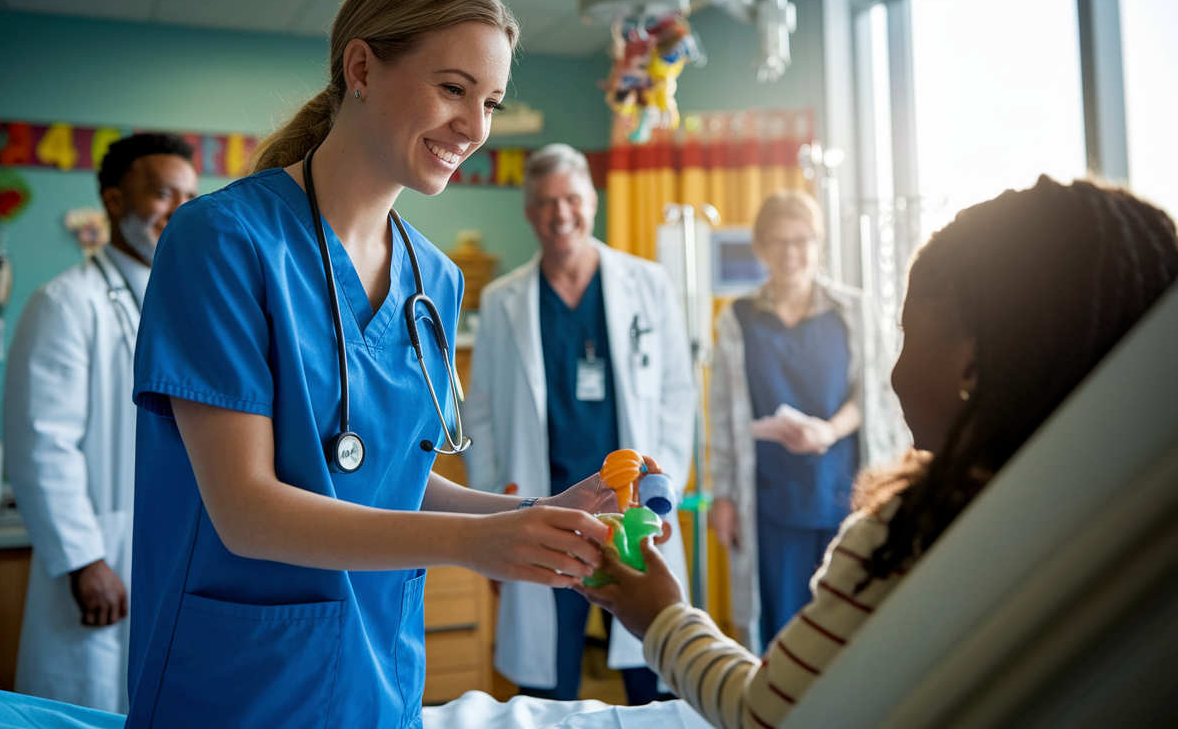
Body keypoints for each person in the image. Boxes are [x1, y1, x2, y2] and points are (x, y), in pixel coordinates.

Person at [126, 0, 616, 728]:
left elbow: (387, 475)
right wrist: (479, 543)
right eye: (453, 88)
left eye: (490, 102)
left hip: (379, 674)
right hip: (239, 681)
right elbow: (246, 511)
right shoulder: (221, 242)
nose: (475, 127)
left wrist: (535, 514)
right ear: (361, 66)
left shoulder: (436, 282)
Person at [577, 176, 1178, 729]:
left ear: (972, 364)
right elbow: (729, 415)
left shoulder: (908, 532)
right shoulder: (1095, 517)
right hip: (774, 491)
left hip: (831, 479)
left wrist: (660, 613)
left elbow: (768, 713)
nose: (892, 372)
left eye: (909, 335)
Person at [462, 143, 695, 703]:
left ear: (593, 200)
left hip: (632, 512)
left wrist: (664, 494)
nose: (559, 214)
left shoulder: (649, 285)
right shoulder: (503, 300)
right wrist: (497, 503)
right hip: (547, 511)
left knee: (654, 669)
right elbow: (483, 412)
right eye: (545, 203)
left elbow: (676, 395)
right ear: (528, 211)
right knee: (547, 684)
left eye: (571, 198)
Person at [3, 133, 198, 713]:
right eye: (164, 193)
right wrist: (84, 560)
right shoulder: (65, 303)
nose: (178, 212)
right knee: (85, 705)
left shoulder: (188, 302)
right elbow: (43, 444)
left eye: (190, 197)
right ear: (114, 200)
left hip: (173, 553)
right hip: (100, 554)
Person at [707, 190, 901, 652]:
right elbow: (722, 416)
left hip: (843, 490)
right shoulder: (738, 320)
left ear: (819, 243)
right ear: (760, 248)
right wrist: (724, 496)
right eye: (777, 241)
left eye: (801, 240)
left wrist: (829, 431)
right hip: (771, 500)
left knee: (848, 622)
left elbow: (874, 393)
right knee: (780, 628)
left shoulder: (854, 310)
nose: (790, 252)